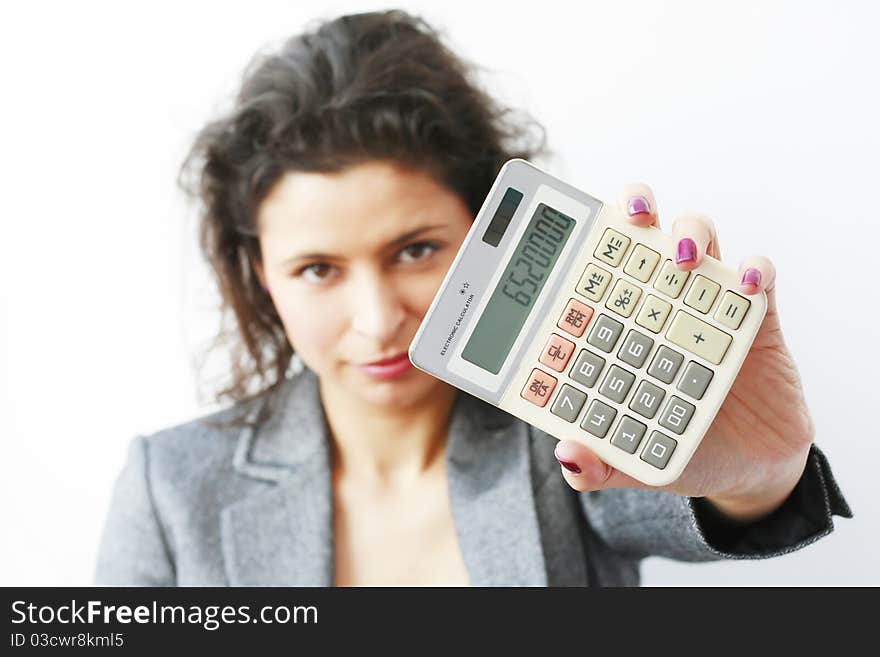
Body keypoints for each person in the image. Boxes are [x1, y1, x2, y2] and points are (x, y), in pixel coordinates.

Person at [94, 9, 851, 586]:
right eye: (318, 269)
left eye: (416, 250)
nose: (378, 320)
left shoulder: (568, 436)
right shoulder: (171, 487)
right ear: (264, 277)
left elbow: (704, 498)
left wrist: (762, 474)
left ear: (490, 228)